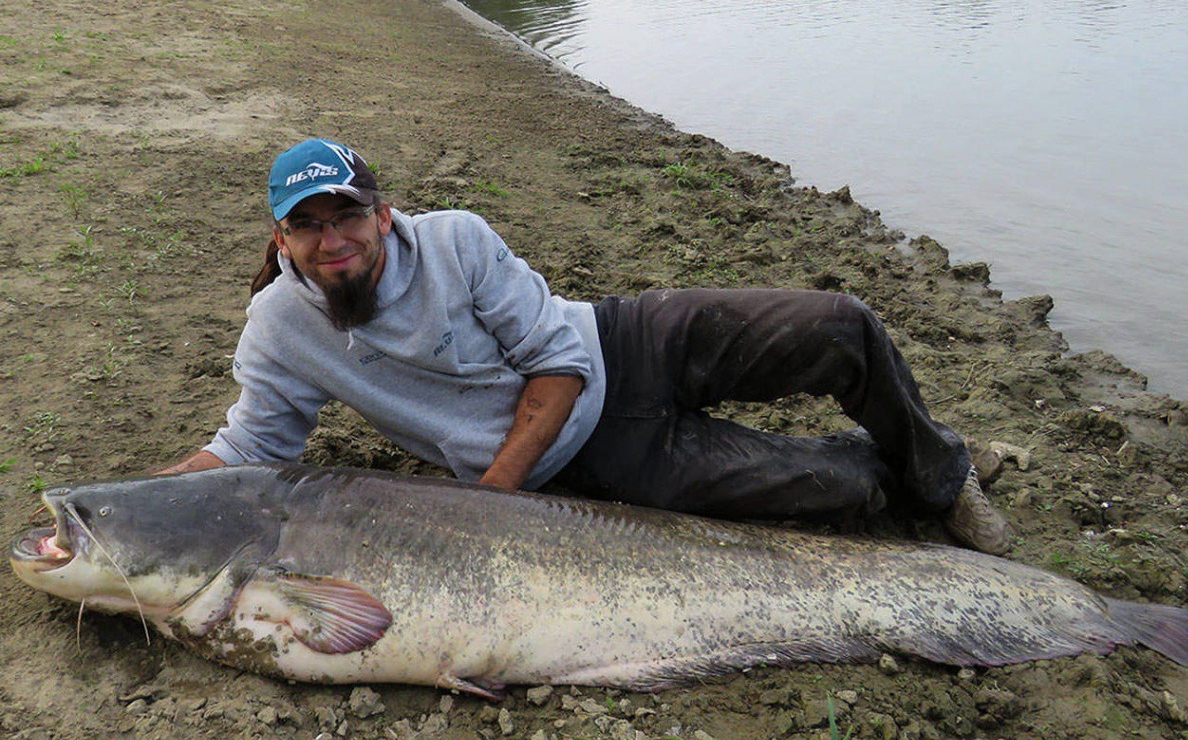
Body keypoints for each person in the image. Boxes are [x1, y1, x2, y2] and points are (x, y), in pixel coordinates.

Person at [161, 138, 1012, 555]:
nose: (330, 239)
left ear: (381, 213)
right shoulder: (279, 325)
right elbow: (252, 445)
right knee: (836, 489)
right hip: (595, 463)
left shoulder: (456, 240)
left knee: (839, 326)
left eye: (346, 214)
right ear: (279, 239)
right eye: (305, 226)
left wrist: (489, 500)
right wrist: (137, 499)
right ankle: (912, 458)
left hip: (622, 340)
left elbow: (559, 360)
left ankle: (945, 469)